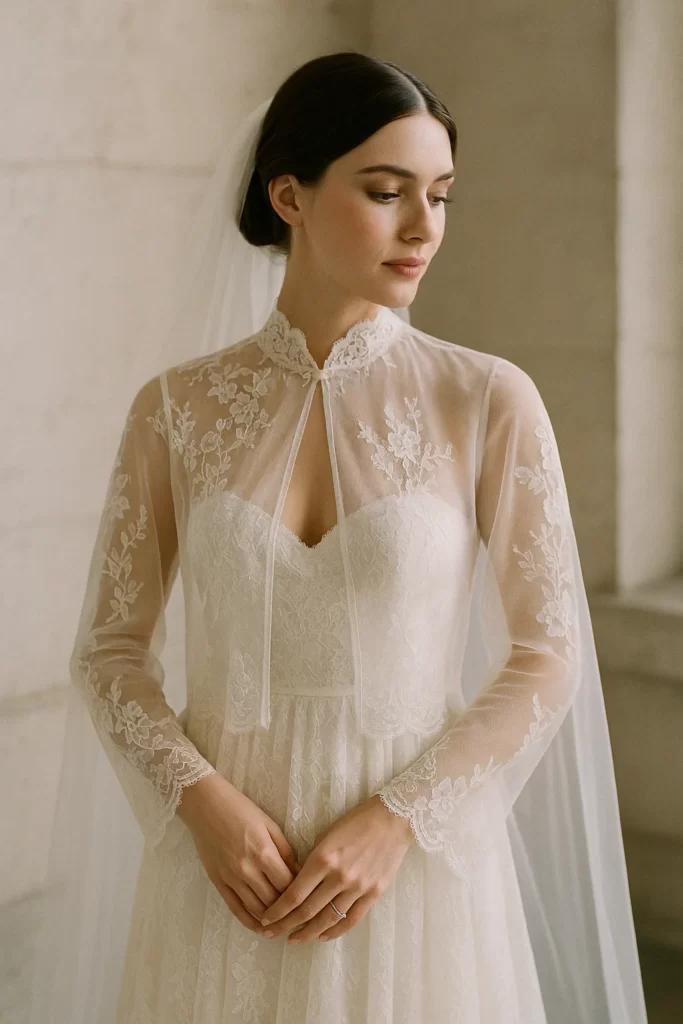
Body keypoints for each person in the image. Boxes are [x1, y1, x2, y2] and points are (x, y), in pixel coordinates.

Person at [28, 52, 649, 1023]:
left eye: (438, 195)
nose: (422, 227)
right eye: (385, 191)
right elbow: (109, 654)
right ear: (290, 194)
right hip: (225, 871)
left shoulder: (485, 399)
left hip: (413, 867)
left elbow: (545, 656)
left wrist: (398, 820)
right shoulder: (175, 410)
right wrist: (200, 799)